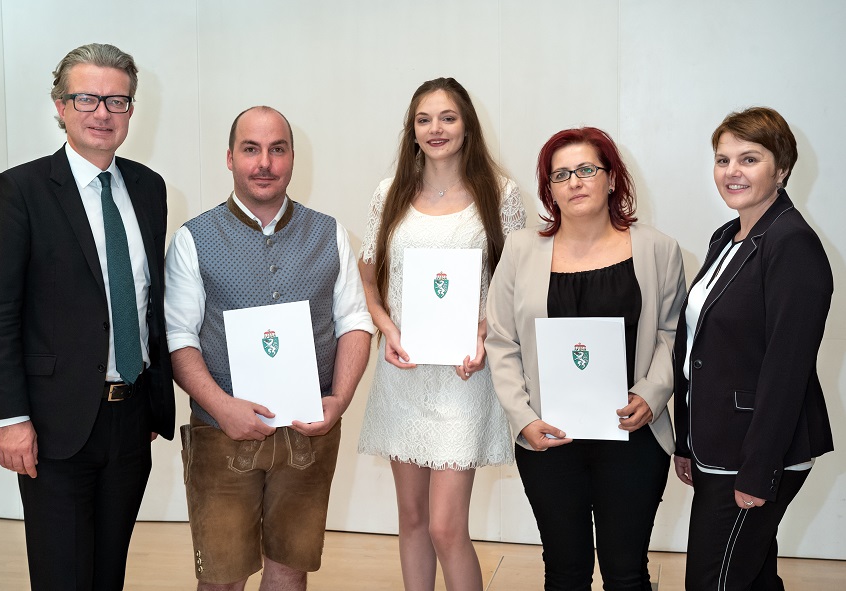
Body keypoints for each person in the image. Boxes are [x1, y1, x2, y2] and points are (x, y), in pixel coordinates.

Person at [0, 43, 175, 591]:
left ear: (131, 110)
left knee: (109, 574)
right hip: (53, 424)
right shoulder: (21, 190)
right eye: (86, 98)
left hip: (131, 420)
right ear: (60, 106)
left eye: (117, 100)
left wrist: (155, 398)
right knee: (62, 576)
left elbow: (148, 300)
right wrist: (10, 418)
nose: (102, 112)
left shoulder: (149, 188)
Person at [165, 105, 373, 591]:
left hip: (309, 434)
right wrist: (223, 407)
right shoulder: (194, 239)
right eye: (250, 149)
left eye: (277, 149)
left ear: (293, 158)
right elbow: (179, 337)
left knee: (290, 572)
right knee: (221, 579)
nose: (264, 163)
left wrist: (340, 400)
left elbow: (355, 322)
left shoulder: (330, 233)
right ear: (230, 158)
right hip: (223, 435)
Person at [485, 127, 686, 591]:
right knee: (564, 573)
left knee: (627, 573)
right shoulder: (520, 250)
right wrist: (523, 418)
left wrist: (651, 395)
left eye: (586, 170)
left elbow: (673, 333)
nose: (574, 181)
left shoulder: (658, 249)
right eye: (560, 175)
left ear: (612, 178)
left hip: (633, 433)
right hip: (549, 437)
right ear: (549, 190)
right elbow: (501, 341)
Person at [357, 77, 526, 590]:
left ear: (467, 125)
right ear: (411, 130)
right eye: (424, 119)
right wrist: (387, 328)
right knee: (411, 520)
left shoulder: (501, 194)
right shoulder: (389, 193)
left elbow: (514, 285)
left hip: (464, 375)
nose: (436, 128)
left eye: (448, 117)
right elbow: (368, 279)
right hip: (403, 373)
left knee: (446, 527)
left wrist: (483, 333)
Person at [672, 107, 834, 590]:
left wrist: (759, 471)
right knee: (753, 575)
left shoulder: (792, 243)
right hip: (718, 443)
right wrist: (686, 441)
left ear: (781, 169)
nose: (732, 172)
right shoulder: (730, 236)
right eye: (723, 160)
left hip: (754, 453)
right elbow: (701, 348)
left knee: (713, 582)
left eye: (749, 159)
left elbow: (787, 370)